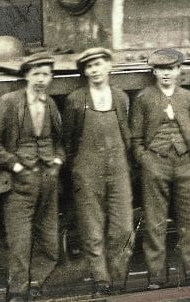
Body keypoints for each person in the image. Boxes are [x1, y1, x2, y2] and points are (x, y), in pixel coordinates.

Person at [0, 53, 65, 302]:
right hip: (18, 184)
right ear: (26, 75)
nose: (41, 79)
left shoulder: (50, 104)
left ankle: (36, 281)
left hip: (48, 180)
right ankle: (17, 291)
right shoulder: (8, 103)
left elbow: (60, 142)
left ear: (50, 77)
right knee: (20, 243)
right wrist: (15, 166)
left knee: (49, 243)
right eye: (36, 73)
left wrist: (58, 160)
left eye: (45, 74)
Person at [130, 48, 190, 290]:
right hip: (156, 163)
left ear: (178, 70)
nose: (166, 74)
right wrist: (145, 159)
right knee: (154, 220)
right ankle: (156, 275)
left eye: (171, 69)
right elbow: (136, 137)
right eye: (161, 69)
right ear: (153, 71)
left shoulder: (188, 98)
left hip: (187, 163)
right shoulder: (143, 98)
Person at [63, 47, 133, 297]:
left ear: (109, 67)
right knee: (92, 228)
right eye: (89, 66)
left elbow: (128, 136)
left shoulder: (121, 98)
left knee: (123, 228)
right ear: (85, 72)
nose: (94, 70)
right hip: (87, 169)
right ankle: (101, 280)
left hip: (118, 169)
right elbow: (69, 140)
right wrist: (79, 168)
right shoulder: (75, 100)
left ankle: (118, 279)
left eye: (99, 64)